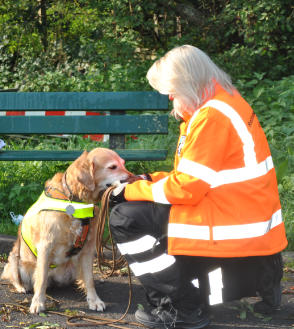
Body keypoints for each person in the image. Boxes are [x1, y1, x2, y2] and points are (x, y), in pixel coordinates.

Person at [108, 45, 287, 329]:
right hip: (244, 217)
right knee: (141, 208)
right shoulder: (226, 101)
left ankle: (181, 308)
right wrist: (148, 180)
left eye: (172, 91)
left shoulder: (210, 117)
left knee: (125, 217)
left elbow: (185, 190)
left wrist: (127, 191)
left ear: (188, 83)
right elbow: (196, 176)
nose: (169, 97)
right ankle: (249, 281)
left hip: (229, 221)